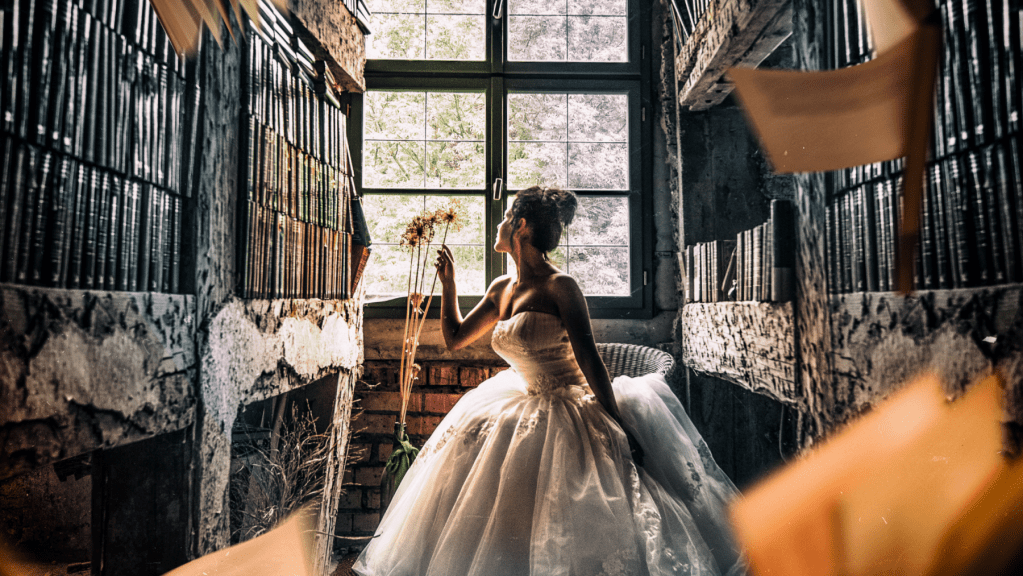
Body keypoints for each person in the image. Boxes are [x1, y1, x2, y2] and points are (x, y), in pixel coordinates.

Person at [354, 186, 746, 576]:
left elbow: (590, 361)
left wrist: (618, 424)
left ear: (521, 226)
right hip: (519, 395)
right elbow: (455, 339)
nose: (500, 222)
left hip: (570, 403)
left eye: (506, 216)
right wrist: (449, 285)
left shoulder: (561, 287)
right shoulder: (501, 288)